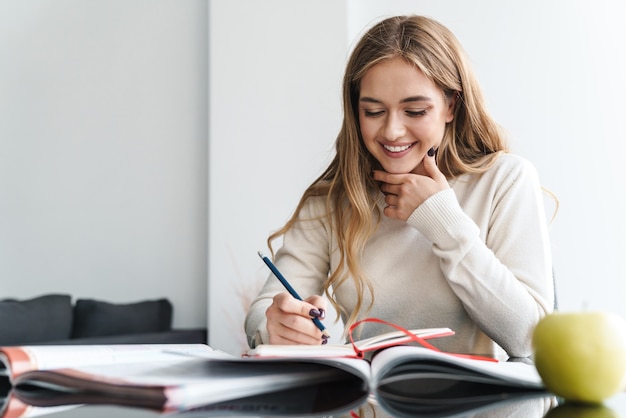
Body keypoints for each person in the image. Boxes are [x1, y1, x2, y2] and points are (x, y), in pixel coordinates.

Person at [244, 14, 555, 359]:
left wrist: (444, 222)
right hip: (369, 405)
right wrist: (276, 327)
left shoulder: (505, 181)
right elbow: (264, 313)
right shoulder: (332, 200)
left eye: (415, 111)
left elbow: (532, 339)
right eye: (374, 112)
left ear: (451, 105)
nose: (392, 131)